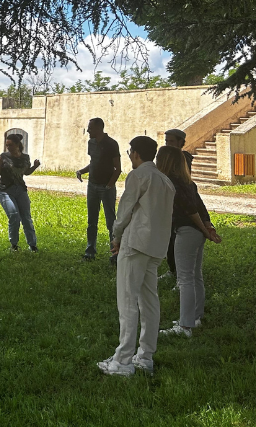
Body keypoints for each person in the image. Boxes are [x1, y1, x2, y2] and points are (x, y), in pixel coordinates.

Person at [98, 136, 175, 376]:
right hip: (155, 246)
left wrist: (116, 235)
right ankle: (145, 357)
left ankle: (122, 361)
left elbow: (125, 210)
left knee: (128, 301)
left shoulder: (139, 175)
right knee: (149, 301)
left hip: (136, 243)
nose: (130, 156)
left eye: (131, 152)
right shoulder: (165, 180)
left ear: (136, 154)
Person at [156, 146, 222, 339]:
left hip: (187, 231)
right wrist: (208, 229)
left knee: (185, 278)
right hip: (195, 232)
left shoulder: (172, 183)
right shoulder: (187, 182)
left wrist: (204, 229)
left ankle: (185, 326)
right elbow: (202, 209)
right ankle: (195, 317)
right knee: (195, 276)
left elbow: (192, 210)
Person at [76, 118, 122, 263]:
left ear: (99, 128)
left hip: (106, 187)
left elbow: (118, 168)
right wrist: (82, 171)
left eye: (90, 128)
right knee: (92, 221)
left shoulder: (111, 144)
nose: (88, 130)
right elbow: (93, 163)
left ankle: (115, 253)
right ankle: (90, 251)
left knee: (110, 221)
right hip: (92, 185)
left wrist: (109, 185)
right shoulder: (91, 143)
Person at [0, 133, 41, 252]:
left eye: (11, 145)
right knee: (14, 215)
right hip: (6, 191)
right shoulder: (3, 156)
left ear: (18, 144)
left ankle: (33, 245)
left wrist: (34, 166)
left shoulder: (25, 157)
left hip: (20, 190)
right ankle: (14, 245)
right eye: (7, 145)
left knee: (26, 218)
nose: (8, 147)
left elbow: (26, 172)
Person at [160, 129, 195, 281]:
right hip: (169, 207)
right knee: (169, 240)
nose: (168, 144)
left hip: (180, 208)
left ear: (181, 142)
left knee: (177, 242)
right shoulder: (168, 158)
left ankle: (180, 274)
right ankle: (172, 270)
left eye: (171, 141)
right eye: (166, 141)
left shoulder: (183, 158)